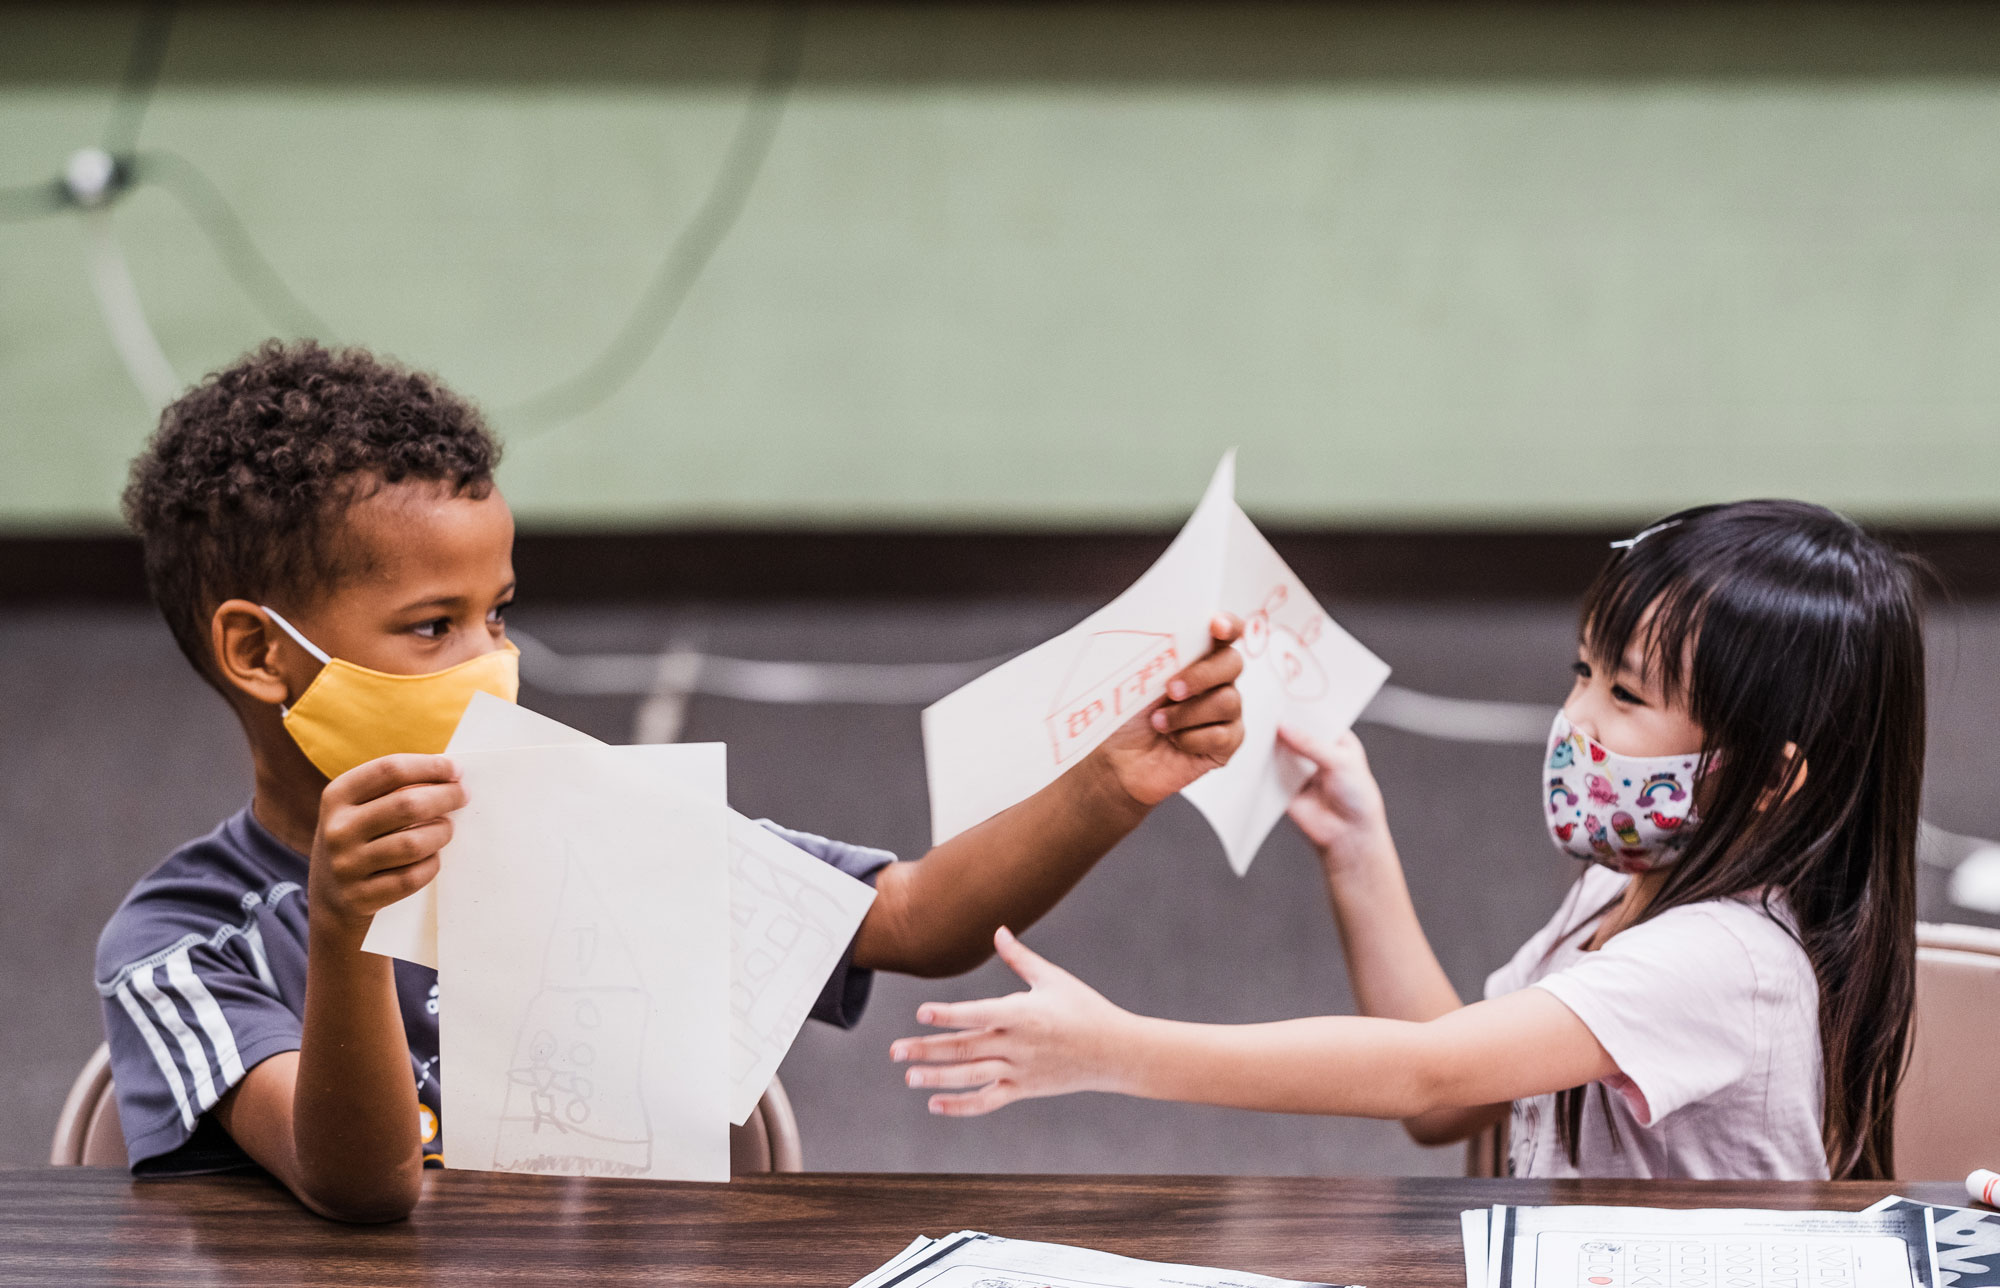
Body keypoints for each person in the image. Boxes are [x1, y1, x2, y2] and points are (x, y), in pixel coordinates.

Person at [99, 340, 1247, 1221]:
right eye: (431, 626)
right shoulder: (182, 940)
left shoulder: (589, 819)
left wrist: (1110, 783)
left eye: (496, 614)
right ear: (260, 653)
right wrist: (350, 923)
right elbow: (360, 1190)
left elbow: (912, 917)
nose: (490, 663)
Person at [893, 501, 1923, 1180]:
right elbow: (1455, 1099)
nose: (1576, 720)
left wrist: (1119, 1054)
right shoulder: (1628, 889)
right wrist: (1356, 849)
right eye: (1580, 672)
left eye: (1625, 694)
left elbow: (1427, 1073)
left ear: (1774, 777)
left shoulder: (1721, 959)